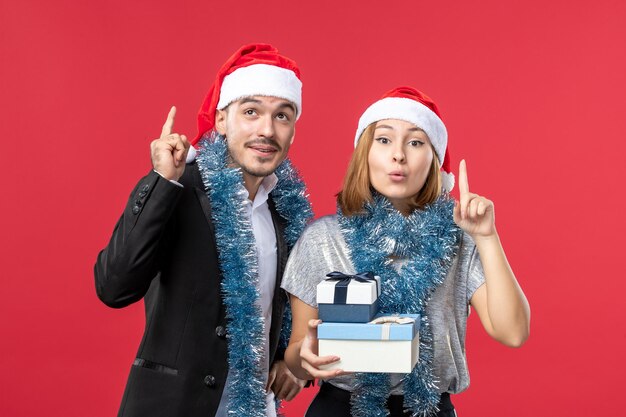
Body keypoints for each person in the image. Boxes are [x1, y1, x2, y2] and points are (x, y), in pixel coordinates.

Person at [281, 86, 531, 416]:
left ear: (434, 161)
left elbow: (513, 332)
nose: (398, 154)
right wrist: (305, 357)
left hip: (428, 408)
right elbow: (297, 359)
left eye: (415, 142)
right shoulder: (322, 238)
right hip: (341, 407)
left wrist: (487, 237)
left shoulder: (458, 240)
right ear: (364, 153)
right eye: (384, 140)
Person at [94, 43, 313, 417]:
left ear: (293, 129)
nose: (267, 130)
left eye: (282, 116)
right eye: (251, 112)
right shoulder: (181, 186)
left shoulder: (286, 209)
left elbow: (276, 308)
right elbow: (114, 286)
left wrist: (289, 363)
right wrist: (162, 181)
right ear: (222, 120)